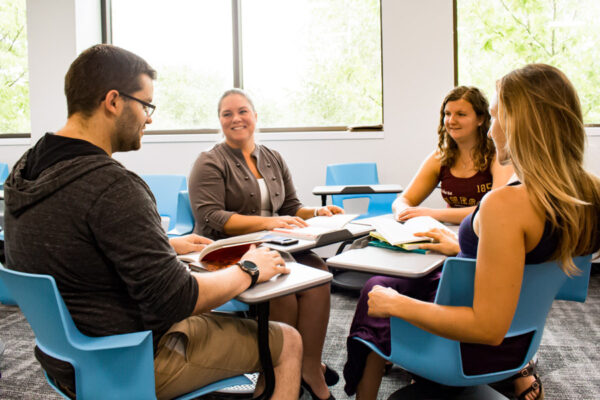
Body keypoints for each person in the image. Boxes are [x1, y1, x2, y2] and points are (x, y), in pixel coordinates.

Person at [2, 44, 303, 400]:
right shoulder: (113, 185)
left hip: (67, 357)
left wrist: (165, 245)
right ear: (113, 101)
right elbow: (178, 299)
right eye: (145, 105)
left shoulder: (26, 169)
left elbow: (69, 242)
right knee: (289, 343)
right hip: (131, 358)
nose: (149, 117)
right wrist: (250, 269)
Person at [355, 64, 600, 400]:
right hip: (523, 342)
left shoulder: (506, 205)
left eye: (497, 117)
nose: (491, 130)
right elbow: (552, 277)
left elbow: (487, 328)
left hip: (467, 352)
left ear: (520, 122)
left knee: (377, 292)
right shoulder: (590, 193)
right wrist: (459, 246)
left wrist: (396, 305)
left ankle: (353, 385)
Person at [189, 88, 341, 400]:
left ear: (255, 117)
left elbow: (292, 207)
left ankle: (310, 369)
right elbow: (213, 216)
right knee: (282, 292)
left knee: (319, 277)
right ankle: (272, 377)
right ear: (220, 121)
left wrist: (317, 212)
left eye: (242, 111)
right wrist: (268, 222)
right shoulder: (209, 162)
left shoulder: (273, 158)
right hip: (229, 251)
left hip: (278, 245)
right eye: (227, 113)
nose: (236, 119)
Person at [392, 86, 513, 224]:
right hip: (451, 232)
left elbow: (494, 208)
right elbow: (403, 200)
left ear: (480, 119)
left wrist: (432, 214)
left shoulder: (497, 156)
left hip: (485, 233)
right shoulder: (440, 157)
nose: (451, 121)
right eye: (447, 114)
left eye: (461, 114)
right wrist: (403, 211)